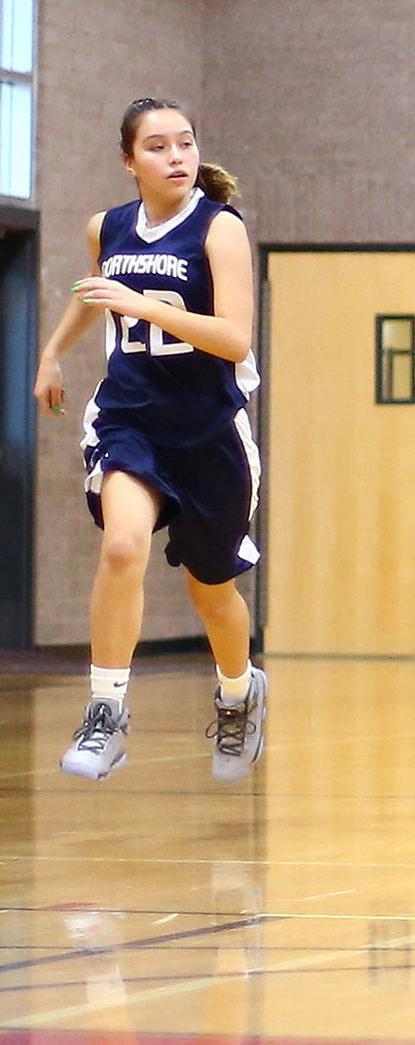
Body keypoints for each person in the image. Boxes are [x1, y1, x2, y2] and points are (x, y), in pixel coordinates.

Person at [32, 97, 268, 783]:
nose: (177, 157)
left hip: (209, 428)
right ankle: (106, 712)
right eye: (159, 146)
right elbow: (91, 290)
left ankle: (237, 691)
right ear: (129, 161)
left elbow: (234, 338)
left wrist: (136, 303)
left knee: (212, 590)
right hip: (130, 417)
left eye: (186, 143)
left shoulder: (219, 230)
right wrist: (52, 353)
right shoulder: (107, 227)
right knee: (123, 543)